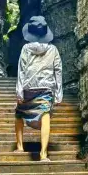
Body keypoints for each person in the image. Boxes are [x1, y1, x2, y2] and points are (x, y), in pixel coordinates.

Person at [15, 15, 63, 162]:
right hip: (46, 88)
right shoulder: (53, 50)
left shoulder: (25, 49)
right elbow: (58, 70)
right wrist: (59, 93)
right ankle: (43, 154)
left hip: (29, 87)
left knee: (19, 113)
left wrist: (19, 91)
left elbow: (21, 70)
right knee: (45, 114)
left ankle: (20, 146)